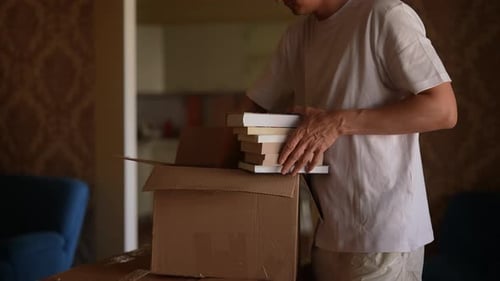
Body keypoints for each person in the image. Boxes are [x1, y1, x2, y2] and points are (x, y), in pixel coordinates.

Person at [241, 0, 458, 280]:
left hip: (383, 236)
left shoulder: (385, 16)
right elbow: (251, 109)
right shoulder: (297, 36)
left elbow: (443, 110)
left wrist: (337, 122)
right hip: (326, 230)